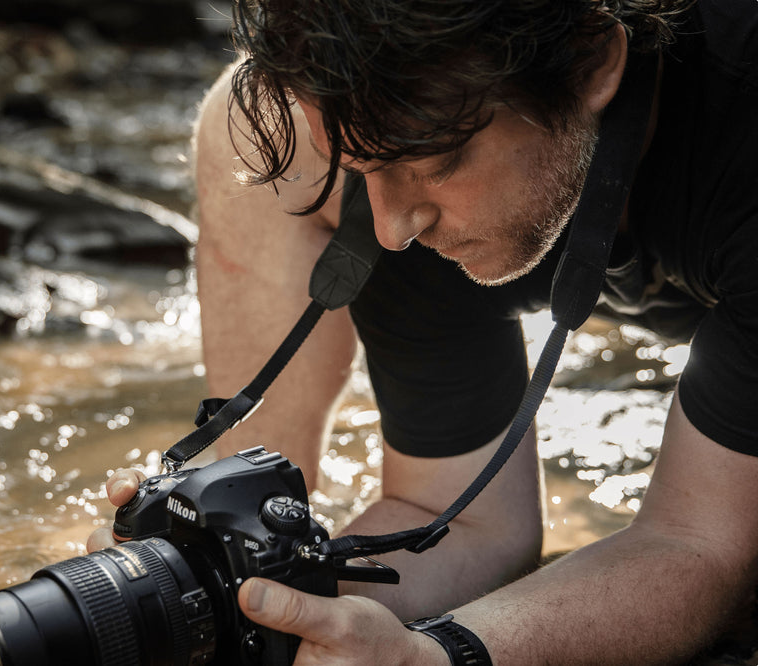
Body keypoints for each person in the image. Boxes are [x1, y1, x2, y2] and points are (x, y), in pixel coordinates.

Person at [90, 1, 758, 663]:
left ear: (592, 63)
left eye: (431, 163)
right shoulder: (411, 171)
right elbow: (464, 521)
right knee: (250, 122)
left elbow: (696, 544)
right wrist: (233, 595)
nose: (391, 228)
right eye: (360, 169)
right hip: (571, 185)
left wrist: (439, 656)